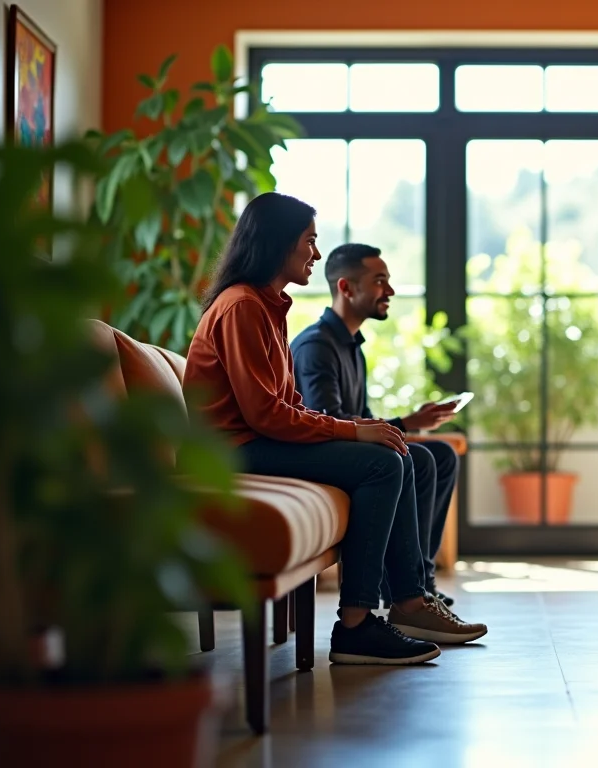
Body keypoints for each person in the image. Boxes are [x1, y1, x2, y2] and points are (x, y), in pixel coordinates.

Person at [183, 192, 487, 666]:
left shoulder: (265, 306)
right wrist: (352, 432)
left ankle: (409, 603)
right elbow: (266, 416)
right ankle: (356, 625)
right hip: (234, 452)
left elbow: (288, 404)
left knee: (395, 452)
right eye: (310, 241)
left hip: (255, 444)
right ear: (279, 244)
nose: (316, 254)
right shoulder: (241, 307)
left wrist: (362, 427)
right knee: (382, 462)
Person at [291, 243, 461, 608]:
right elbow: (329, 422)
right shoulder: (316, 347)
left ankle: (420, 581)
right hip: (321, 456)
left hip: (347, 448)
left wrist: (410, 422)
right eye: (380, 280)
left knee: (442, 454)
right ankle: (408, 587)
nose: (391, 291)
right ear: (346, 288)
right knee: (419, 459)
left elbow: (362, 419)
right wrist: (406, 424)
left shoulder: (352, 347)